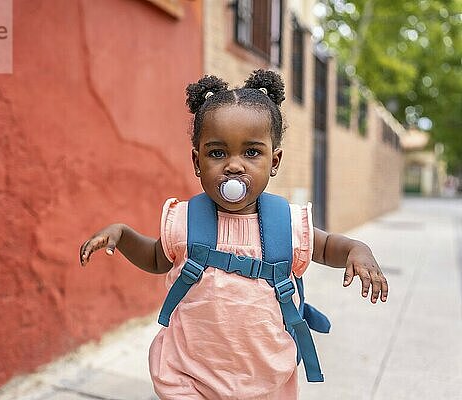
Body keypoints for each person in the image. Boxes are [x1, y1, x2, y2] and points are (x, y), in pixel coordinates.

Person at [79, 69, 388, 399]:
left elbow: (326, 247)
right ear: (197, 162)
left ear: (275, 160)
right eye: (217, 153)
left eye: (251, 152)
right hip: (189, 374)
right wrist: (124, 236)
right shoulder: (184, 220)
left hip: (265, 378)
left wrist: (357, 249)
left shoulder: (287, 223)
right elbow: (156, 259)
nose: (234, 165)